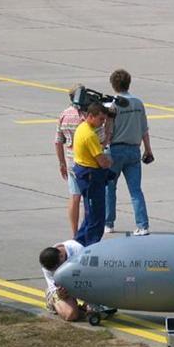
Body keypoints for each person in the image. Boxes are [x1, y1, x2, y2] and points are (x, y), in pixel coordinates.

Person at [54, 84, 109, 237]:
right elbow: (101, 142)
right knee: (90, 202)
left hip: (72, 163)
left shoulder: (64, 115)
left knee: (74, 197)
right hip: (88, 164)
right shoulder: (89, 118)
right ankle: (88, 232)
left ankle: (74, 232)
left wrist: (62, 163)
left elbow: (58, 141)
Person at [105, 68, 154, 236]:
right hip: (134, 150)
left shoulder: (113, 105)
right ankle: (143, 225)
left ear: (113, 85)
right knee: (135, 190)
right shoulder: (138, 103)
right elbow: (144, 130)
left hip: (116, 150)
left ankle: (108, 222)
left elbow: (109, 129)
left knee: (110, 188)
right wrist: (148, 149)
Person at [72, 102, 113, 246]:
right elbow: (102, 161)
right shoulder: (89, 135)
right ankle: (90, 245)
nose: (102, 123)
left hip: (84, 173)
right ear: (90, 116)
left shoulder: (82, 127)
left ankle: (80, 241)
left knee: (90, 214)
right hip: (91, 176)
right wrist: (108, 162)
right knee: (96, 216)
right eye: (101, 119)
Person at [39, 240, 85, 321]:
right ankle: (51, 301)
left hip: (81, 284)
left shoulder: (78, 251)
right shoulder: (48, 266)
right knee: (71, 315)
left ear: (61, 256)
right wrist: (59, 294)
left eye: (57, 268)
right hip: (64, 289)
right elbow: (53, 287)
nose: (56, 271)